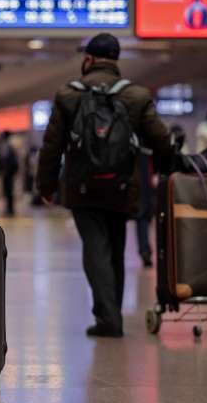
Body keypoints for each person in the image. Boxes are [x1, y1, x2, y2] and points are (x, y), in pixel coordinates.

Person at [37, 33, 171, 338]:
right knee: (117, 246)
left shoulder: (68, 95)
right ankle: (112, 313)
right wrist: (167, 171)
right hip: (123, 185)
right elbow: (160, 139)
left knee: (95, 247)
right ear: (116, 60)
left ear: (88, 60)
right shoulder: (135, 95)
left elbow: (51, 146)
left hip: (82, 186)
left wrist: (45, 187)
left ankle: (108, 317)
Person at [0, 131, 19, 217]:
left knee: (8, 191)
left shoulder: (7, 147)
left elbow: (8, 161)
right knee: (7, 191)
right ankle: (9, 208)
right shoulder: (8, 146)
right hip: (8, 173)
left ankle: (10, 209)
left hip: (8, 173)